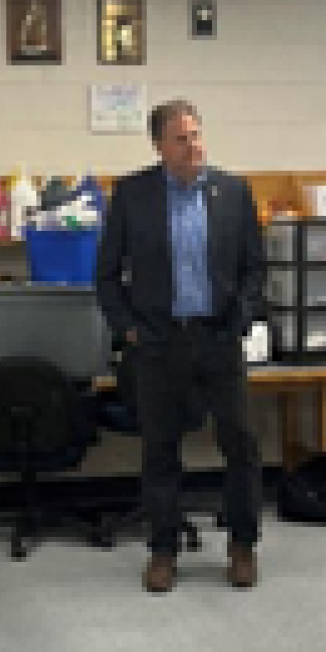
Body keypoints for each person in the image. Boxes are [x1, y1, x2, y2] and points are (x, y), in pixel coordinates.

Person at [96, 100, 265, 594]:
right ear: (159, 146)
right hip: (157, 341)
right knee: (160, 449)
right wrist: (128, 328)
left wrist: (242, 318)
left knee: (240, 443)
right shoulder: (132, 195)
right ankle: (163, 550)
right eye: (181, 139)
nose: (194, 146)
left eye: (196, 134)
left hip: (217, 337)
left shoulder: (232, 192)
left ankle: (242, 544)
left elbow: (254, 267)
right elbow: (106, 277)